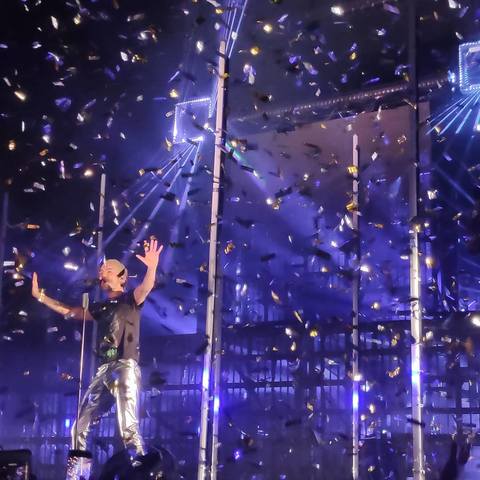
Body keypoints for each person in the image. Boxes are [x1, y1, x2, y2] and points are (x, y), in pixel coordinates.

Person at [31, 237, 163, 460]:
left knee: (128, 426)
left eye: (109, 269)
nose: (103, 272)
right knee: (79, 426)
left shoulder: (130, 300)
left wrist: (151, 267)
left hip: (124, 366)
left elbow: (146, 287)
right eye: (102, 270)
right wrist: (41, 296)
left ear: (122, 277)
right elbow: (70, 312)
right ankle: (77, 473)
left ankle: (141, 467)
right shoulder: (100, 307)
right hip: (103, 370)